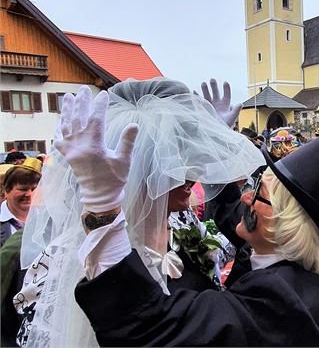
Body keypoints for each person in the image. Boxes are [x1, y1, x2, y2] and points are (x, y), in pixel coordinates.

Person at [53, 82, 319, 346]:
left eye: (258, 193)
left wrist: (103, 206)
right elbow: (234, 212)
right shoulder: (297, 258)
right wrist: (214, 140)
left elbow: (151, 330)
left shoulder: (285, 302)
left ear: (287, 225)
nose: (246, 196)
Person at [16, 78, 265, 347]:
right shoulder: (73, 255)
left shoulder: (182, 223)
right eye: (175, 161)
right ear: (140, 168)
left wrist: (214, 140)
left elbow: (236, 253)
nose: (192, 174)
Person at [0, 157, 42, 347]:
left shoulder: (46, 224)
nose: (30, 194)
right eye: (23, 189)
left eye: (34, 189)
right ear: (6, 191)